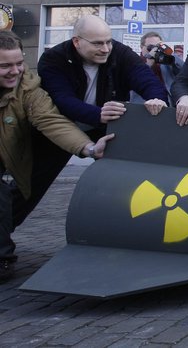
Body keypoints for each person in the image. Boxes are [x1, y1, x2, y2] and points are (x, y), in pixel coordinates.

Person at [0, 31, 115, 282]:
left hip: (8, 154)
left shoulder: (28, 87)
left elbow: (51, 121)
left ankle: (2, 259)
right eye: (5, 66)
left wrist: (88, 148)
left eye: (19, 63)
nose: (15, 71)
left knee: (8, 202)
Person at [30, 14, 167, 223]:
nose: (105, 49)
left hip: (107, 127)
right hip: (62, 128)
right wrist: (98, 114)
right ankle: (4, 233)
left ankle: (125, 230)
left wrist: (157, 98)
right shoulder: (53, 59)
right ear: (77, 41)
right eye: (97, 43)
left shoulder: (119, 53)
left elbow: (146, 79)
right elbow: (61, 99)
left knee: (126, 183)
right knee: (32, 185)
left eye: (108, 41)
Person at [130, 32, 184, 106]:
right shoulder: (134, 62)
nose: (154, 50)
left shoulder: (166, 62)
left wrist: (168, 52)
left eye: (157, 47)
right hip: (143, 106)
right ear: (141, 47)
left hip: (167, 105)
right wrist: (149, 62)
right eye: (150, 47)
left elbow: (184, 70)